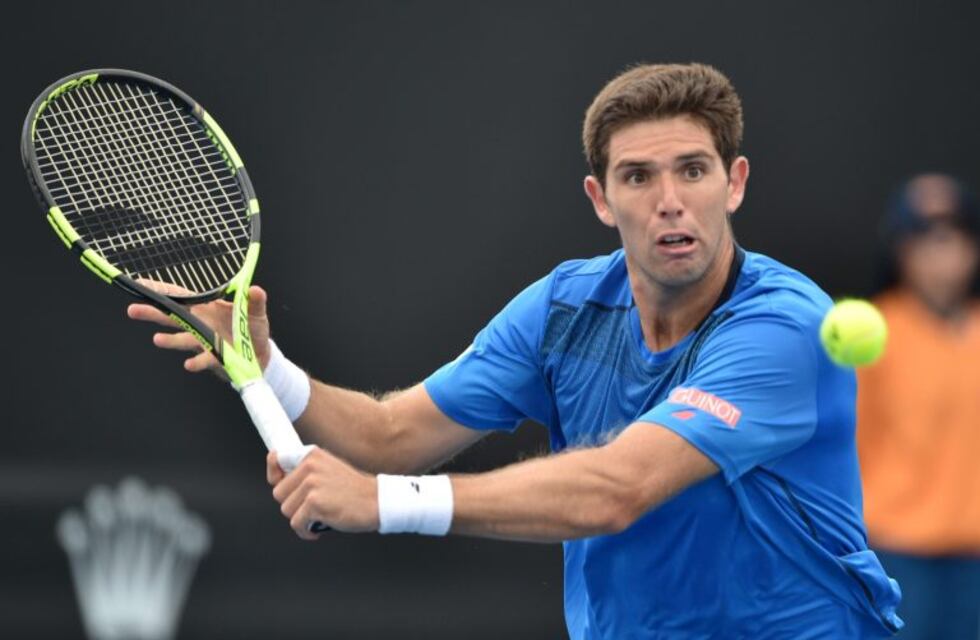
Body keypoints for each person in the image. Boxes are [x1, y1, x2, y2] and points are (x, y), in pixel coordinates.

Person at [129, 63, 902, 638]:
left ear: (733, 184)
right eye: (638, 176)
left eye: (692, 171)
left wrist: (382, 502)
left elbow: (616, 491)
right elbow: (392, 436)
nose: (670, 200)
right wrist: (267, 365)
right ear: (601, 199)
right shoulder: (565, 307)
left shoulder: (785, 327)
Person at [856, 173, 980, 640]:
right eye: (924, 240)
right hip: (897, 552)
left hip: (974, 557)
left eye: (954, 237)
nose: (940, 253)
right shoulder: (873, 333)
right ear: (900, 252)